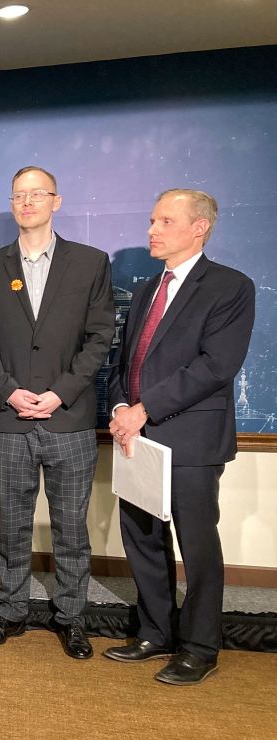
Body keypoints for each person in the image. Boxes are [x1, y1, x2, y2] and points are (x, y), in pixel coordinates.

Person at [106, 189, 254, 685]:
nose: (152, 229)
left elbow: (216, 366)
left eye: (165, 221)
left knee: (197, 546)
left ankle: (199, 646)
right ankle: (156, 632)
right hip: (137, 436)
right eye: (152, 220)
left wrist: (145, 408)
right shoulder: (148, 288)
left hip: (190, 439)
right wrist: (122, 408)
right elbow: (126, 363)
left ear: (199, 227)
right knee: (143, 539)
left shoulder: (231, 287)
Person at [0, 166, 114, 659]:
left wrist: (60, 392)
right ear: (12, 204)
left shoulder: (90, 263)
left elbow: (99, 338)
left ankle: (71, 617)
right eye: (18, 195)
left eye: (36, 194)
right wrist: (9, 392)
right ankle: (11, 612)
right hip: (10, 419)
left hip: (67, 417)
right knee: (12, 525)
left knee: (72, 527)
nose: (26, 202)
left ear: (56, 201)